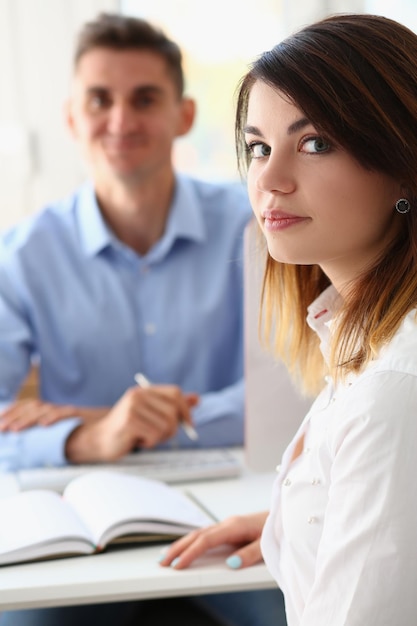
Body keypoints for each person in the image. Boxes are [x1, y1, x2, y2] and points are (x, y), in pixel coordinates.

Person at [0, 12, 287, 626]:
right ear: (71, 116)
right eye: (99, 99)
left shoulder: (257, 226)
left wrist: (122, 420)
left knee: (302, 610)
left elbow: (285, 391)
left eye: (145, 99)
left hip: (240, 503)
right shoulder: (21, 254)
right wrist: (91, 436)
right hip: (83, 514)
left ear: (183, 115)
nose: (121, 121)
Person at [160, 13, 417, 625]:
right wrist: (300, 520)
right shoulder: (363, 335)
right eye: (258, 147)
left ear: (403, 162)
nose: (268, 179)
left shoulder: (394, 387)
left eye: (314, 143)